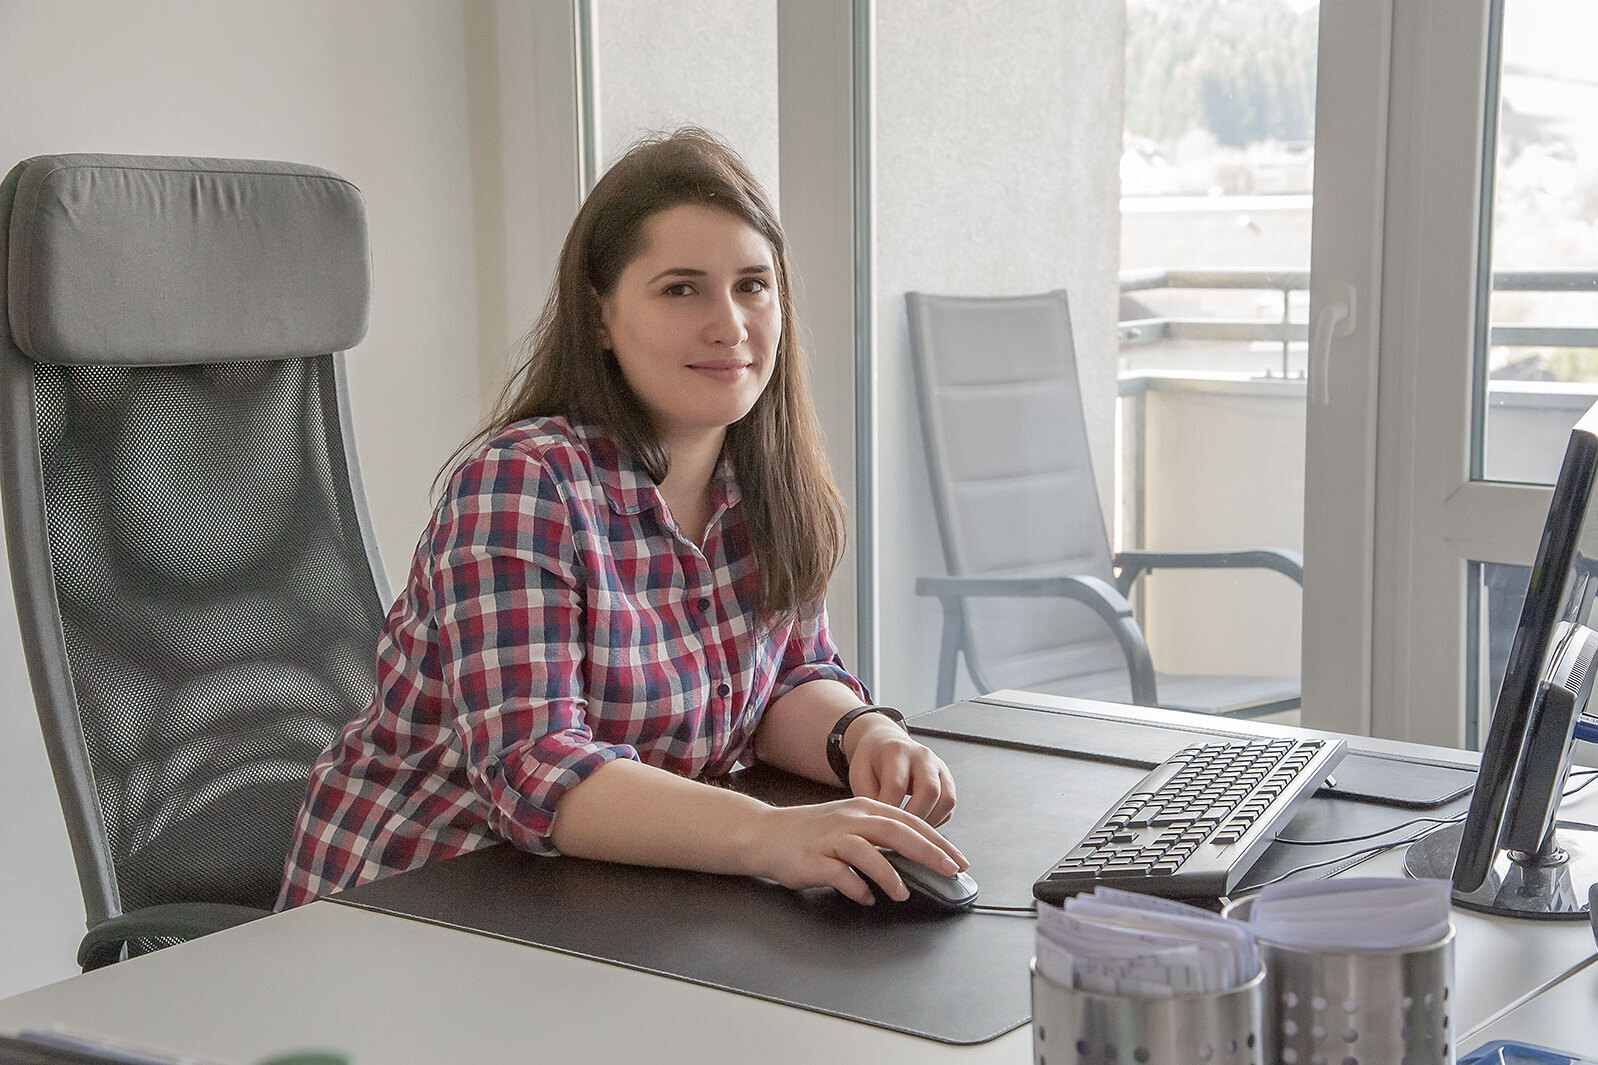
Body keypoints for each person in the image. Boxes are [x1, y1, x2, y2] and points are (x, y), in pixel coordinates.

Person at [277, 129, 965, 910]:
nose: (730, 324)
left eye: (752, 285)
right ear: (600, 316)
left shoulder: (763, 483)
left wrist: (863, 736)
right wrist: (770, 836)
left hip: (599, 903)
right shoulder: (523, 485)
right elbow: (537, 769)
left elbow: (785, 682)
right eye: (681, 289)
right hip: (405, 910)